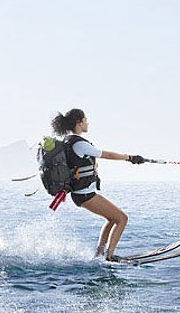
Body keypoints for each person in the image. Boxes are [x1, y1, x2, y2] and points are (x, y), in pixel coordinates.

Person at [49, 108, 149, 261]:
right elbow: (106, 154)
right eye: (85, 120)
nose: (87, 123)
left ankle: (100, 254)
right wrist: (130, 158)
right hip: (84, 194)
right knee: (122, 219)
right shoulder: (78, 143)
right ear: (79, 122)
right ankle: (109, 256)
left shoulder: (69, 141)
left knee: (112, 219)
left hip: (81, 193)